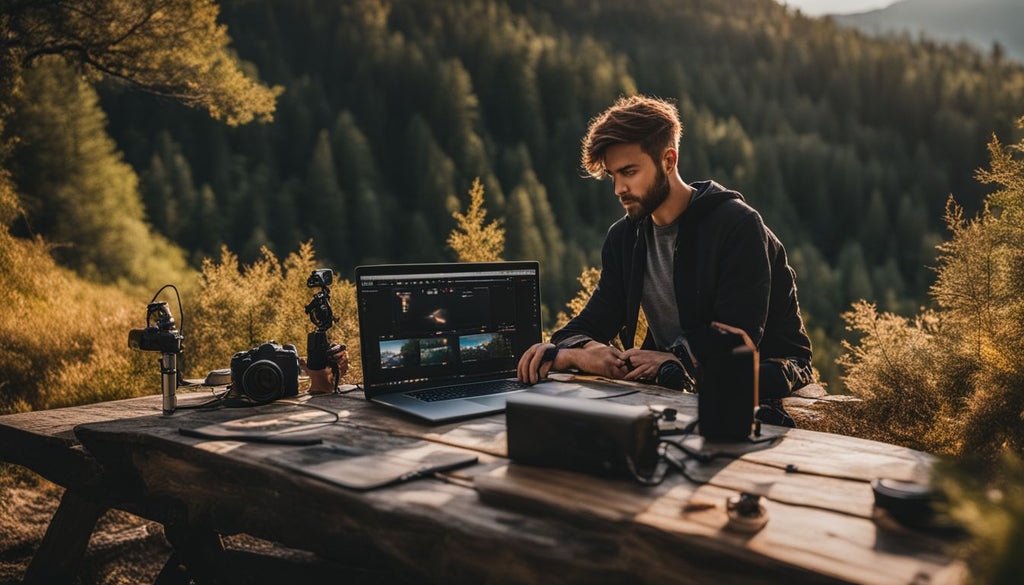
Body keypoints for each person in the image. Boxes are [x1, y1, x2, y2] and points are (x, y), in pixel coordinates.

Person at [516, 95, 813, 426]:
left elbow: (738, 337)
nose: (618, 188)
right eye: (613, 175)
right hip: (673, 368)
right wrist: (579, 353)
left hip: (769, 366)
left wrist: (675, 359)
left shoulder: (736, 225)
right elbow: (587, 325)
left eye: (629, 172)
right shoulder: (624, 238)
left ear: (669, 160)